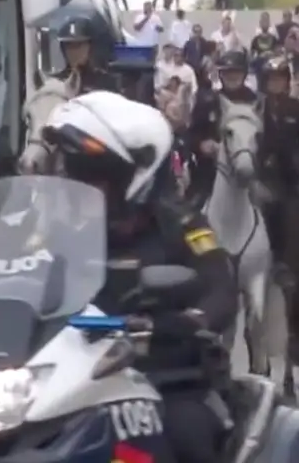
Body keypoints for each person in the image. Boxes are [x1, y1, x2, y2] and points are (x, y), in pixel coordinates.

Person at [42, 93, 237, 463]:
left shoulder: (182, 226)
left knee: (188, 437)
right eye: (72, 175)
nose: (74, 187)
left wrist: (189, 321)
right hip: (70, 382)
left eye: (90, 179)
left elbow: (220, 288)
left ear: (132, 177)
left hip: (164, 379)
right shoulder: (57, 230)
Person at [186, 49, 256, 200]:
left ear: (244, 74)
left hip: (249, 170)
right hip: (211, 173)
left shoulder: (256, 102)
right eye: (227, 72)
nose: (232, 76)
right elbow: (190, 135)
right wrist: (201, 144)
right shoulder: (207, 101)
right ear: (220, 75)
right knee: (191, 211)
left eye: (236, 72)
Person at [257, 54, 299, 280]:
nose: (276, 83)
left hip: (289, 175)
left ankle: (282, 262)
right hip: (260, 173)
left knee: (287, 214)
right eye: (272, 78)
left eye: (280, 78)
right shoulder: (255, 107)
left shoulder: (295, 107)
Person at [51, 16, 118, 94]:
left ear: (91, 47)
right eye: (68, 46)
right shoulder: (56, 82)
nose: (73, 52)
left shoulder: (106, 82)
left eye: (78, 45)